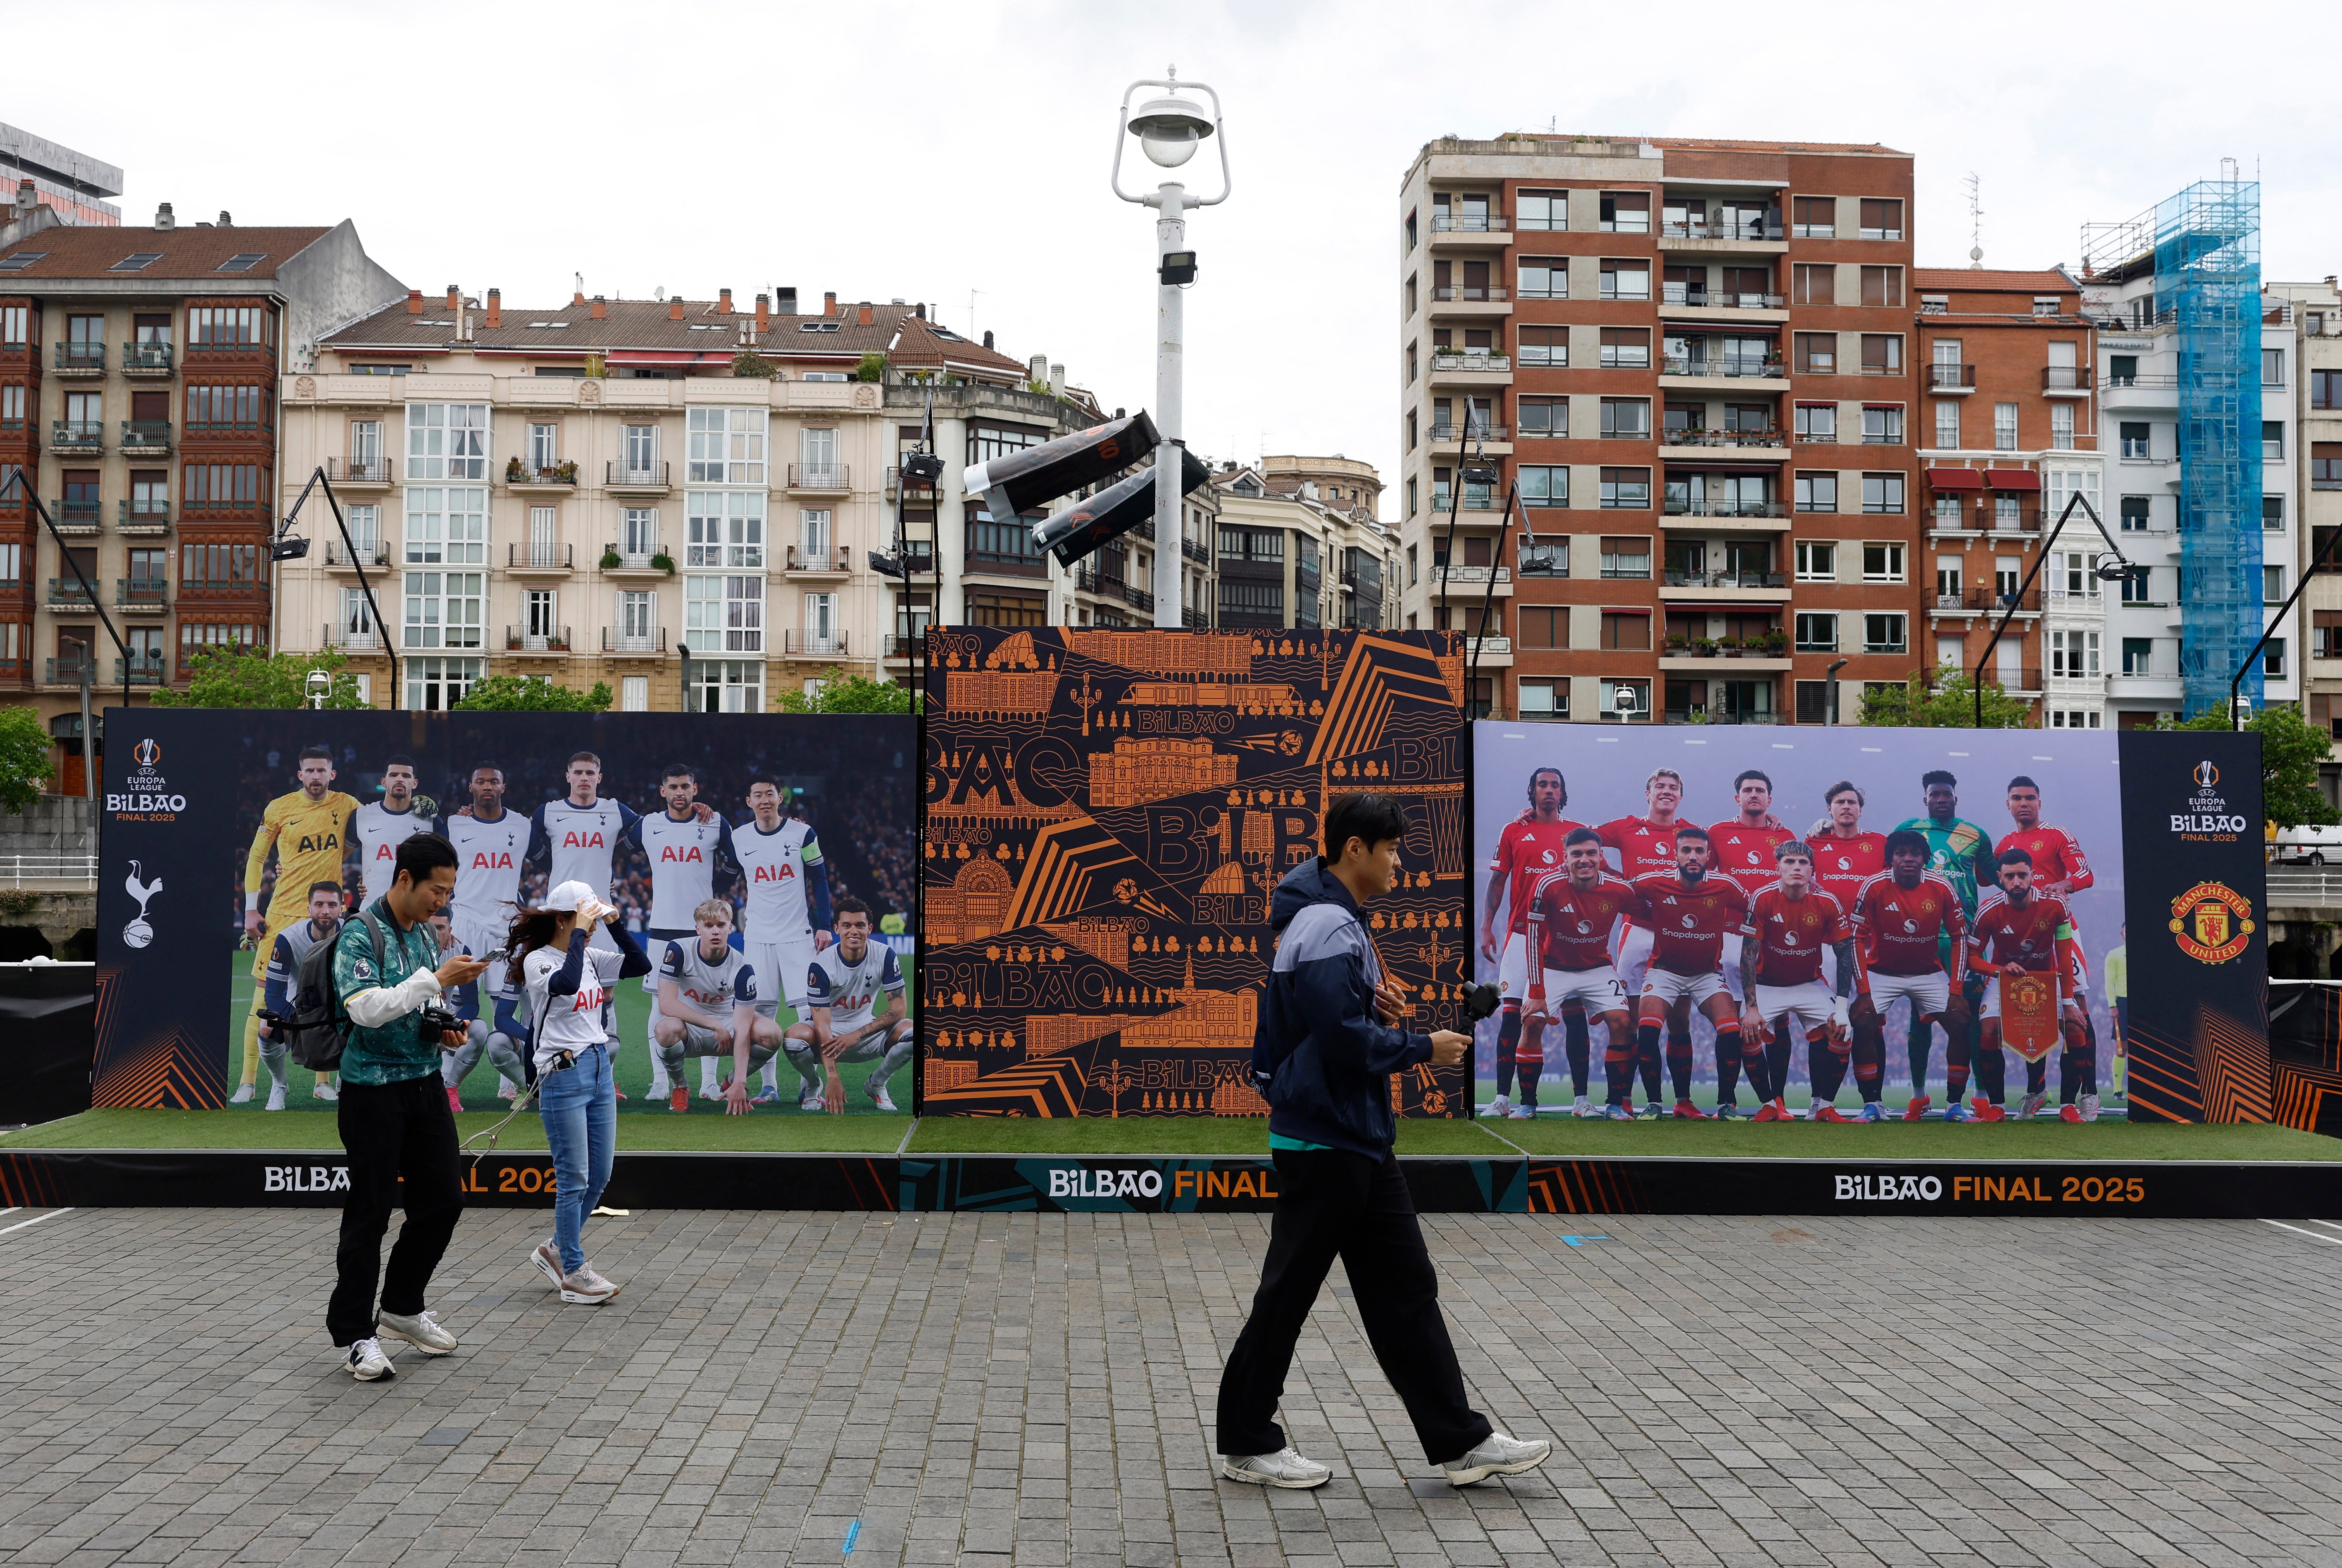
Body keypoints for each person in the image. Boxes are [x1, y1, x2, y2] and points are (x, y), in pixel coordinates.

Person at [1216, 792, 1549, 1491]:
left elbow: (1330, 1021)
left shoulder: (1337, 923)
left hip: (1355, 1137)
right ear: (1354, 851)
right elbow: (1337, 1043)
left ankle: (1460, 1442)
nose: (1400, 862)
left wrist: (1378, 1008)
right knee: (1287, 1297)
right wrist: (1422, 1046)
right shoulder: (1326, 925)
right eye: (1391, 849)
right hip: (1324, 1139)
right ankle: (1248, 1441)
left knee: (1405, 1291)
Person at [326, 832, 489, 1380]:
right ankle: (356, 1335)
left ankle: (401, 1305)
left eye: (447, 891)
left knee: (443, 1200)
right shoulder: (360, 931)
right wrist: (437, 977)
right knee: (369, 1214)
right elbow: (367, 1008)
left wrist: (444, 1029)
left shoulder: (422, 933)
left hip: (424, 1084)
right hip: (372, 1091)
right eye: (435, 890)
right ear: (404, 879)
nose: (440, 901)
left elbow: (422, 1005)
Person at [512, 880, 652, 1303]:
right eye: (582, 917)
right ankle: (572, 1271)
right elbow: (567, 985)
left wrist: (616, 923)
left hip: (596, 1068)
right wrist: (578, 935)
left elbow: (639, 964)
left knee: (600, 1175)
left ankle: (555, 1250)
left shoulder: (588, 954)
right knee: (573, 1178)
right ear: (561, 919)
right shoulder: (540, 960)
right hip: (562, 1074)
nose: (589, 927)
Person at [238, 745, 361, 1104]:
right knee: (263, 997)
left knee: (326, 997)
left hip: (326, 915)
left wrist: (420, 805)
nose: (316, 777)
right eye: (310, 770)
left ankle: (322, 1081)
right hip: (282, 913)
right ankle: (249, 1082)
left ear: (332, 774)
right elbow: (257, 856)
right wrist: (251, 909)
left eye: (323, 770)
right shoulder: (279, 808)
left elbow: (379, 826)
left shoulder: (348, 805)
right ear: (300, 774)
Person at [1620, 826, 1750, 1121]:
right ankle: (1655, 1103)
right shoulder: (1655, 882)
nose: (1693, 856)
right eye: (1687, 850)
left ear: (1708, 855)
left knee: (1731, 1031)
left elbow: (1758, 907)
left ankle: (1726, 1105)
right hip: (1664, 972)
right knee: (1648, 1030)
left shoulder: (1725, 885)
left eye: (1699, 851)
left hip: (1707, 973)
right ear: (1675, 853)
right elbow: (1617, 891)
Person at [1480, 767, 1588, 1119]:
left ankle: (1581, 1100)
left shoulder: (1576, 833)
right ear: (1532, 791)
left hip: (1563, 937)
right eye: (1543, 785)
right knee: (1512, 1016)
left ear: (1563, 792)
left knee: (1575, 1017)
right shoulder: (1514, 830)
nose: (1549, 790)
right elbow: (1497, 882)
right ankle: (1504, 1098)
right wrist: (1487, 927)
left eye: (1556, 785)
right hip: (1522, 934)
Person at [1997, 776, 2099, 1118]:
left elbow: (2085, 875)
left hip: (2061, 932)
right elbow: (1985, 873)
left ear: (2040, 802)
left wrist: (2062, 884)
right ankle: (2036, 1091)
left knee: (2077, 1009)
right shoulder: (2005, 844)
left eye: (2030, 797)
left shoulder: (2058, 835)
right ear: (2008, 804)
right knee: (2034, 1013)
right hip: (2024, 938)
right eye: (2017, 798)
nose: (2023, 803)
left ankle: (2087, 1093)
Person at [632, 763, 734, 1104]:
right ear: (663, 791)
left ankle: (708, 1082)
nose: (680, 792)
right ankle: (661, 1081)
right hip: (663, 929)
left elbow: (734, 862)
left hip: (703, 928)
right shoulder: (648, 824)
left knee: (711, 1004)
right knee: (659, 1008)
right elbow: (611, 840)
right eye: (673, 786)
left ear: (696, 789)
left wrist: (715, 890)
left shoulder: (715, 822)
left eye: (686, 786)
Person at [1853, 832, 1972, 1121]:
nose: (1908, 858)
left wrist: (1956, 989)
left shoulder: (1942, 886)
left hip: (1927, 972)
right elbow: (1856, 937)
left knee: (1961, 1020)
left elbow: (1960, 936)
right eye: (1901, 853)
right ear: (1890, 858)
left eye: (1915, 853)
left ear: (1925, 858)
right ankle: (1872, 1104)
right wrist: (1864, 990)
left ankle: (1954, 1106)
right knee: (1861, 1019)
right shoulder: (1874, 886)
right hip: (1882, 972)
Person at [1520, 827, 1639, 1115]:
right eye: (1577, 854)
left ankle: (1614, 1104)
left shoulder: (1620, 889)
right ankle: (1527, 1104)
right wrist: (1537, 993)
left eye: (1590, 853)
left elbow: (1652, 914)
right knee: (1532, 1022)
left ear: (1601, 856)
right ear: (1565, 858)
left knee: (1623, 1023)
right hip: (1554, 966)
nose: (1584, 859)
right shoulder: (1546, 885)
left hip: (1596, 967)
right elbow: (1534, 939)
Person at [734, 778, 833, 1107]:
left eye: (770, 794)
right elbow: (723, 870)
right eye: (758, 795)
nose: (765, 800)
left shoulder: (803, 834)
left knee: (811, 1011)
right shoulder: (738, 837)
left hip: (797, 935)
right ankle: (769, 1086)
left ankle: (811, 1084)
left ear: (780, 798)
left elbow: (819, 879)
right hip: (758, 936)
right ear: (749, 801)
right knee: (760, 1013)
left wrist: (824, 925)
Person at [1966, 848, 2085, 1121]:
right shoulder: (1989, 910)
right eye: (2010, 876)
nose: (2017, 882)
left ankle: (2068, 1105)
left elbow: (2065, 957)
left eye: (2022, 875)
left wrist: (2068, 1003)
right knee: (1989, 1027)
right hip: (2005, 979)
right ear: (2000, 878)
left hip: (2046, 979)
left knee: (2076, 1028)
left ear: (2033, 875)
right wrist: (1999, 969)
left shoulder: (2056, 905)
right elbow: (1972, 958)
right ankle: (1997, 1107)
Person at [1741, 842, 1856, 1121]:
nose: (1796, 867)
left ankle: (1825, 1107)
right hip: (1769, 985)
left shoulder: (1827, 902)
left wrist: (1842, 1007)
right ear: (1777, 868)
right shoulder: (1763, 897)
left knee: (1843, 1029)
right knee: (1747, 1032)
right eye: (1790, 861)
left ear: (1812, 870)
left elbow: (1845, 956)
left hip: (1809, 983)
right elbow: (1748, 956)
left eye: (1803, 862)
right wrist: (1752, 1007)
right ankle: (1769, 1104)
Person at [1706, 771, 1796, 1114]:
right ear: (1737, 798)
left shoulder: (1784, 834)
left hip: (1773, 939)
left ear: (1770, 800)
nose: (1754, 795)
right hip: (1730, 936)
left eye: (1760, 791)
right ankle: (1726, 1100)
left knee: (1779, 1022)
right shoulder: (1717, 833)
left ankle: (1779, 1100)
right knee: (1732, 1022)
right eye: (1748, 790)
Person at [440, 763, 528, 1101]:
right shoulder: (454, 824)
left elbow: (556, 856)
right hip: (465, 924)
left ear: (504, 786)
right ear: (470, 787)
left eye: (494, 781)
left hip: (506, 926)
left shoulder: (523, 825)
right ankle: (448, 1085)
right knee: (459, 1005)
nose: (487, 786)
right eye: (481, 781)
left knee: (506, 1002)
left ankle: (509, 1084)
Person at [1805, 782, 1891, 1109]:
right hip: (1825, 946)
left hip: (1868, 946)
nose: (1846, 807)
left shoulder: (1879, 843)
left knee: (1870, 1020)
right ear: (1829, 808)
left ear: (1860, 808)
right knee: (1825, 1022)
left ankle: (1875, 1100)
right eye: (1839, 802)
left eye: (1852, 802)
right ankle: (1819, 1100)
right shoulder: (1813, 842)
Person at [784, 895, 912, 1112]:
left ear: (870, 928)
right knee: (793, 1039)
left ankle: (877, 1084)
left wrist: (857, 1035)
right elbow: (822, 1025)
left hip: (865, 1033)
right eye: (847, 925)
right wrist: (833, 1077)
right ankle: (814, 1085)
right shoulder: (821, 965)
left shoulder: (885, 956)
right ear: (837, 929)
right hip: (828, 1036)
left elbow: (899, 1009)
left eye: (860, 925)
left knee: (913, 1033)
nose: (854, 931)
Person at [654, 898, 781, 1113]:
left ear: (730, 928)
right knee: (665, 1030)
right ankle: (681, 1086)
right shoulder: (678, 951)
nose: (716, 932)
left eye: (721, 925)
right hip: (690, 1025)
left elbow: (742, 1029)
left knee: (772, 1033)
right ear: (698, 929)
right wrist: (713, 1025)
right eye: (709, 926)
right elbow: (666, 1004)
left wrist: (740, 1081)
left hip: (728, 1027)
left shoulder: (742, 969)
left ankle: (730, 1083)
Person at [256, 881, 345, 1111]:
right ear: (309, 909)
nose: (325, 911)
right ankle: (279, 1085)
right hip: (301, 1009)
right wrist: (298, 1019)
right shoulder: (289, 939)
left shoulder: (353, 934)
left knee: (370, 1023)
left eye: (332, 905)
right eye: (319, 904)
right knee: (267, 1027)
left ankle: (347, 1081)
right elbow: (274, 993)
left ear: (341, 908)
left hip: (343, 1009)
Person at [435, 908, 524, 1115]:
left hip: (438, 1023)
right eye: (430, 927)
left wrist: (451, 1027)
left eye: (441, 928)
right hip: (411, 1025)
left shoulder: (458, 950)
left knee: (479, 1029)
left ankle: (450, 1089)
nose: (436, 933)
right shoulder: (411, 950)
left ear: (450, 930)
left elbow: (471, 1004)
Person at [352, 756, 431, 905]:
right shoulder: (361, 816)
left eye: (406, 776)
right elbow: (339, 856)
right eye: (394, 775)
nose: (400, 779)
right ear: (384, 781)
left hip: (413, 909)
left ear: (415, 784)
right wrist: (358, 881)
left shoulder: (430, 820)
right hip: (372, 910)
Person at [2104, 924, 2128, 1100]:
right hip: (2123, 1003)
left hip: (2145, 1003)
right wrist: (2113, 1005)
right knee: (2122, 1048)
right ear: (2122, 933)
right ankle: (2118, 1090)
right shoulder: (2115, 954)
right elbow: (2109, 981)